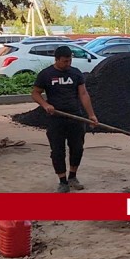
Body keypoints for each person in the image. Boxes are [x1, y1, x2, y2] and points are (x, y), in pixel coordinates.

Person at [31, 46, 98, 193]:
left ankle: (72, 176)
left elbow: (84, 94)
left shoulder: (75, 73)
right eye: (65, 61)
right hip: (56, 119)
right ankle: (63, 182)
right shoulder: (46, 74)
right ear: (57, 59)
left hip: (75, 116)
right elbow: (35, 93)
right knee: (57, 150)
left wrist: (91, 115)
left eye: (70, 60)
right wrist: (45, 104)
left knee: (77, 148)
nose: (68, 64)